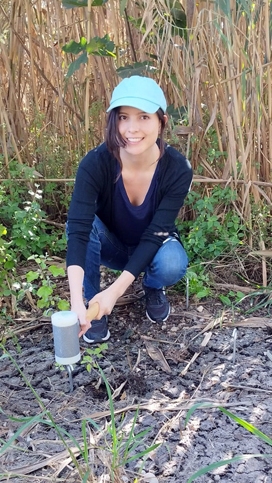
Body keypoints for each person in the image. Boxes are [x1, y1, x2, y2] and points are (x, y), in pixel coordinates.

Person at [65, 76, 193, 343]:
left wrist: (115, 292)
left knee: (172, 263)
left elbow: (156, 234)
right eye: (123, 117)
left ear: (162, 121)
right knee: (81, 225)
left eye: (144, 117)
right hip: (112, 245)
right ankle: (92, 305)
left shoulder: (178, 168)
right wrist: (76, 300)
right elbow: (78, 230)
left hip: (155, 247)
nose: (131, 129)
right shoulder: (95, 163)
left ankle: (152, 286)